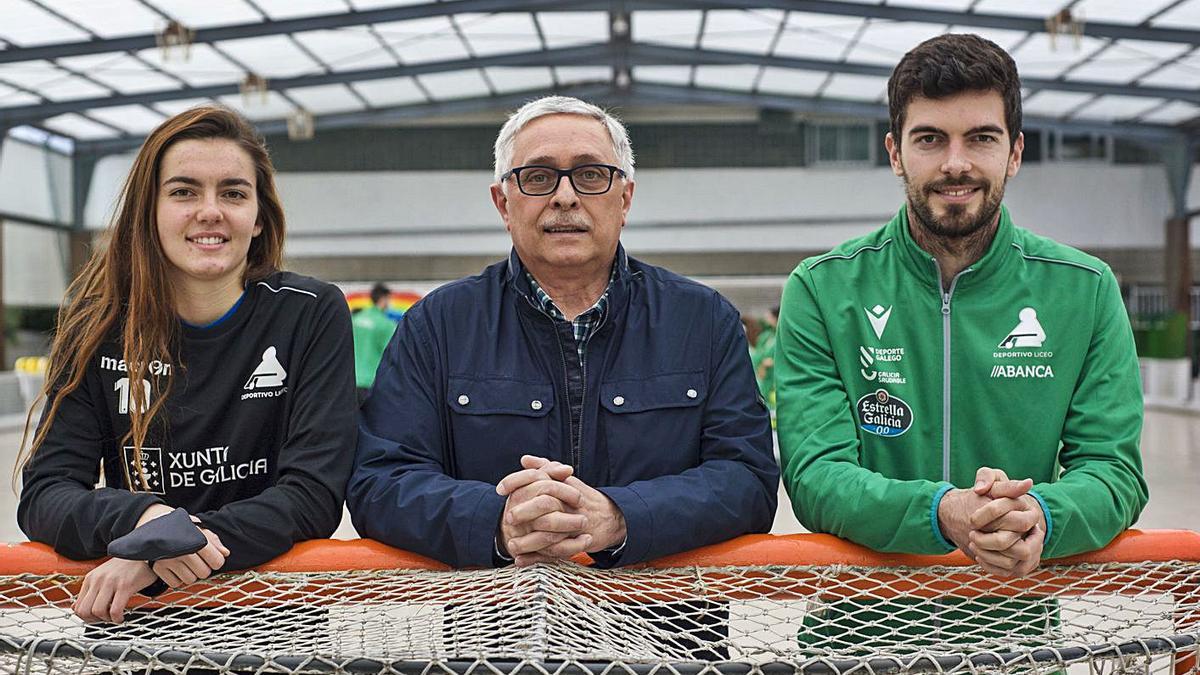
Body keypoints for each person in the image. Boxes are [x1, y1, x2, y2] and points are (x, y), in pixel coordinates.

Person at [348, 96, 778, 572]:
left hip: (665, 638)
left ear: (625, 197)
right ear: (503, 202)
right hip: (494, 640)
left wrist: (620, 516)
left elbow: (748, 479)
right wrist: (499, 520)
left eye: (591, 174)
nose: (566, 197)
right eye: (538, 177)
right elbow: (381, 481)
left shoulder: (703, 320)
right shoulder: (438, 326)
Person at [775, 34, 1147, 580]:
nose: (956, 163)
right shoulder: (823, 289)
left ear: (1014, 152)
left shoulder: (1084, 289)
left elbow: (1114, 470)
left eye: (980, 138)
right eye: (930, 139)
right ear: (895, 153)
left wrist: (1042, 516)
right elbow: (815, 475)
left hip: (1019, 641)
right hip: (856, 644)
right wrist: (943, 512)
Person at [16, 106, 357, 625]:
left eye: (233, 193)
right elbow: (46, 494)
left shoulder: (309, 312)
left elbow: (312, 494)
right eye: (183, 191)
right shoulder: (97, 326)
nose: (210, 210)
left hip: (279, 618)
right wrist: (147, 522)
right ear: (148, 211)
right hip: (143, 622)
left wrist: (166, 547)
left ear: (259, 216)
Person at [352, 282, 397, 401]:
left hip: (351, 380)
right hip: (371, 381)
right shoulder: (386, 325)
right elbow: (393, 354)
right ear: (383, 299)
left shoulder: (355, 319)